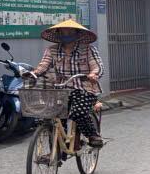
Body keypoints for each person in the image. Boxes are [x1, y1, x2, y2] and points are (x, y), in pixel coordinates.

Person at [29, 19, 104, 148]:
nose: (66, 34)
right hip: (61, 89)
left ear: (77, 34)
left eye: (70, 32)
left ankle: (93, 135)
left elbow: (97, 67)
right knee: (54, 118)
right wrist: (33, 73)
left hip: (84, 88)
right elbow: (43, 66)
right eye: (63, 32)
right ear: (58, 34)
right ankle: (57, 153)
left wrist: (93, 74)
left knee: (78, 112)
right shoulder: (52, 50)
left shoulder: (88, 50)